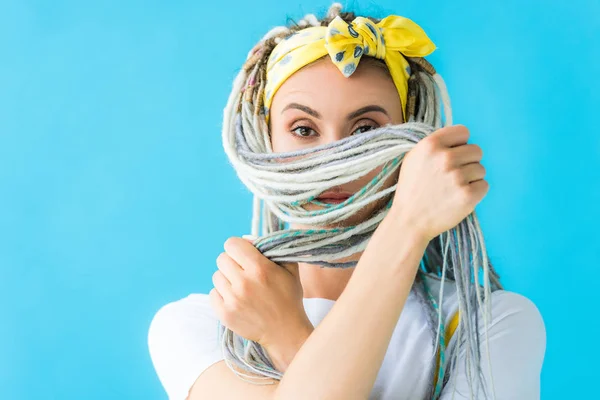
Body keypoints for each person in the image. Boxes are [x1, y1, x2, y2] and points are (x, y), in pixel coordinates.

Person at [147, 3, 546, 399]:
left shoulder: (488, 325)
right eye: (303, 129)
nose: (335, 159)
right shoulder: (199, 327)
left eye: (365, 130)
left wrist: (287, 337)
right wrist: (406, 224)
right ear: (262, 142)